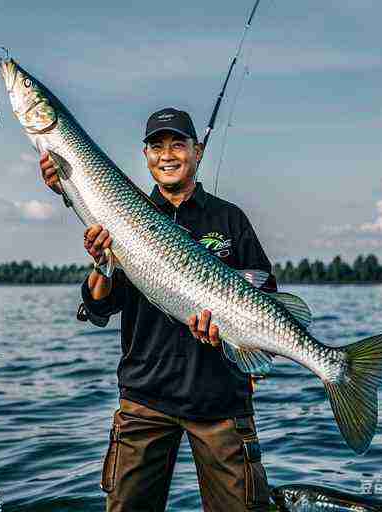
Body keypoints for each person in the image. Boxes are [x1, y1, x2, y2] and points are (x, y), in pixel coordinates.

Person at [40, 107, 277, 511]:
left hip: (220, 402)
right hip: (145, 399)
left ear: (197, 152)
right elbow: (98, 306)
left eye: (178, 144)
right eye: (156, 146)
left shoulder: (230, 218)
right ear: (146, 156)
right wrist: (102, 261)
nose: (167, 155)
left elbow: (266, 300)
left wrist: (231, 335)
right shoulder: (120, 213)